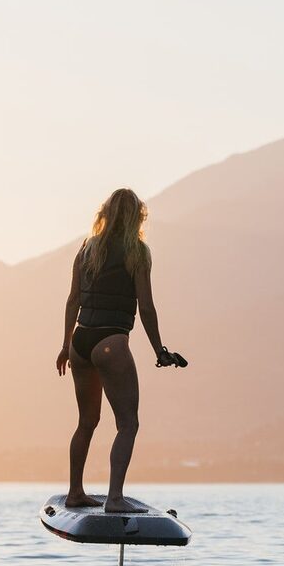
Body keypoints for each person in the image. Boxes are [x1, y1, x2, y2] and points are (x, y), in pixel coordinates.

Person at [55, 188, 185, 512]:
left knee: (87, 422)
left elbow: (73, 300)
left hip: (80, 342)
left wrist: (65, 345)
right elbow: (146, 307)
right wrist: (160, 350)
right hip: (110, 342)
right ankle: (114, 498)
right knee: (128, 424)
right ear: (136, 217)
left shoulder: (87, 248)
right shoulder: (137, 252)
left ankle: (75, 493)